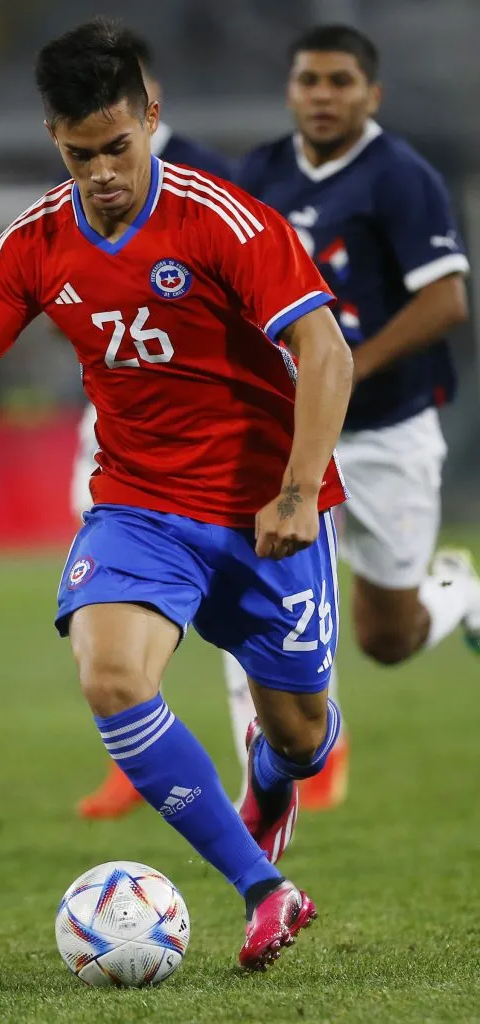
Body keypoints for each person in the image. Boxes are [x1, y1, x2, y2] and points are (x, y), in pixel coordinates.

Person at [0, 18, 353, 970]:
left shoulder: (222, 220)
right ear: (53, 140)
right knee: (110, 676)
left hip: (266, 510)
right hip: (139, 506)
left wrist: (299, 490)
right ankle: (265, 891)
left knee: (301, 737)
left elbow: (323, 350)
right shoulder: (36, 242)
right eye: (77, 153)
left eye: (116, 147)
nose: (101, 172)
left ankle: (272, 775)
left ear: (151, 116)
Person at [234, 24, 478, 816]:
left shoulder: (401, 177)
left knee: (386, 639)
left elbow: (446, 300)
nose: (322, 95)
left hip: (385, 428)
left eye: (340, 82)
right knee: (253, 576)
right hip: (286, 433)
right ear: (290, 89)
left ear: (370, 94)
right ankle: (285, 763)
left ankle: (457, 594)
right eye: (309, 80)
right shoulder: (259, 173)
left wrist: (342, 370)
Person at [71, 29, 239, 821]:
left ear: (147, 97)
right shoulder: (78, 182)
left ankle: (277, 755)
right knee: (107, 584)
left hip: (213, 432)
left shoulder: (208, 177)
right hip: (118, 416)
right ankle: (136, 739)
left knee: (250, 612)